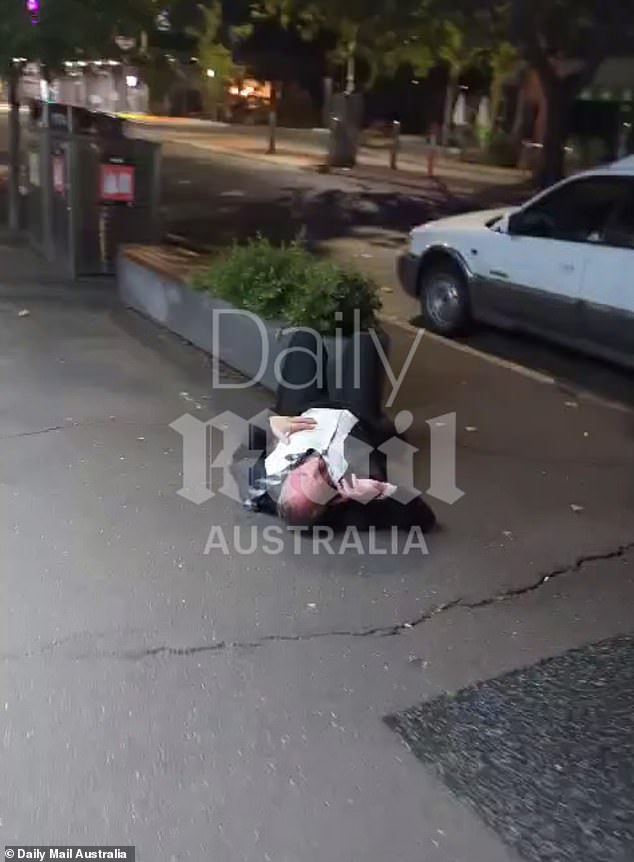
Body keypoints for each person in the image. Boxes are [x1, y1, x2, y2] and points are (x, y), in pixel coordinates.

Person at [243, 331, 436, 533]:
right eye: (322, 476)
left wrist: (272, 422)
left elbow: (248, 441)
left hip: (302, 410)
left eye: (300, 475)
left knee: (304, 339)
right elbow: (426, 520)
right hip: (356, 414)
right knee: (367, 342)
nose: (314, 465)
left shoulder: (266, 483)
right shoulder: (355, 504)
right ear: (332, 502)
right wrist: (384, 492)